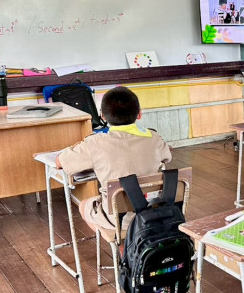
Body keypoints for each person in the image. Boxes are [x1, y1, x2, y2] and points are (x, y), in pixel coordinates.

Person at [56, 86, 171, 233]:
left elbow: (60, 162)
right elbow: (167, 157)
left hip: (119, 219)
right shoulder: (154, 138)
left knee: (84, 205)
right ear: (139, 114)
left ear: (102, 116)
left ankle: (119, 242)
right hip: (153, 212)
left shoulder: (95, 143)